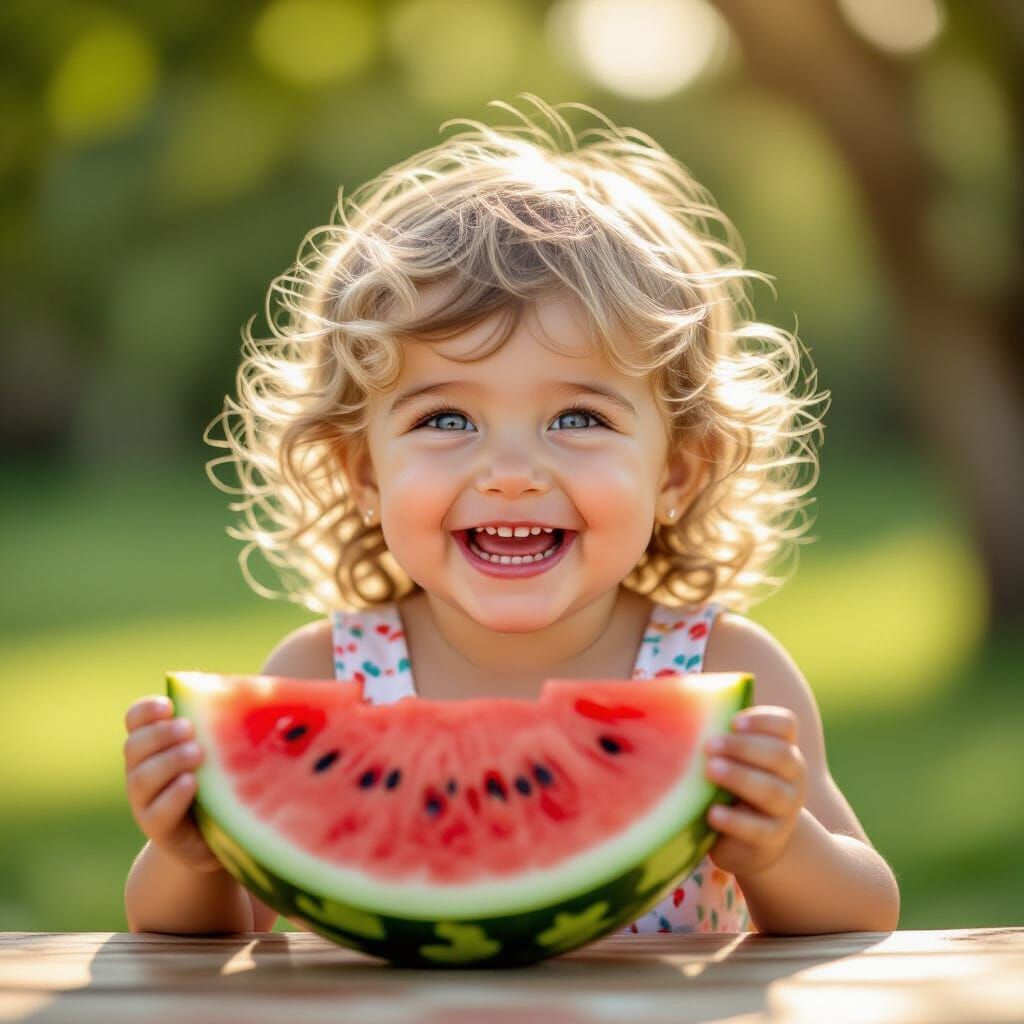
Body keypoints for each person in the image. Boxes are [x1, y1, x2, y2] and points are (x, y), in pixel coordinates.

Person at [122, 94, 900, 937]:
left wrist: (783, 850)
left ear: (677, 470)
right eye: (445, 420)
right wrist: (187, 855)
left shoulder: (726, 673)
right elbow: (217, 936)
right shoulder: (322, 673)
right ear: (362, 474)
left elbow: (868, 909)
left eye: (578, 419)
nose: (513, 474)